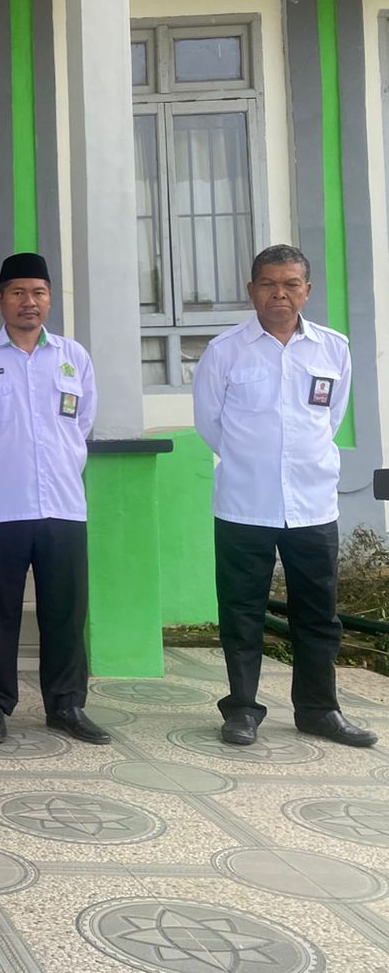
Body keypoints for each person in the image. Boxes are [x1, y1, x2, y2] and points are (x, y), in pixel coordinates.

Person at [192, 244, 376, 747]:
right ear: (251, 290)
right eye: (269, 284)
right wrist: (256, 462)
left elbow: (330, 418)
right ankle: (242, 710)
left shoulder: (333, 348)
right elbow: (210, 424)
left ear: (306, 291)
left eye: (291, 284)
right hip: (244, 504)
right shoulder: (225, 351)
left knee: (318, 614)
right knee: (242, 612)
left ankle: (319, 710)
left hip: (313, 505)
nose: (280, 294)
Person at [0, 253, 110, 746]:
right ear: (0, 300)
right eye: (18, 292)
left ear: (50, 299)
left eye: (38, 292)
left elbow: (82, 423)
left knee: (65, 611)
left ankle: (66, 704)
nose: (28, 302)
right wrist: (1, 461)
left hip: (62, 506)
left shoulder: (73, 358)